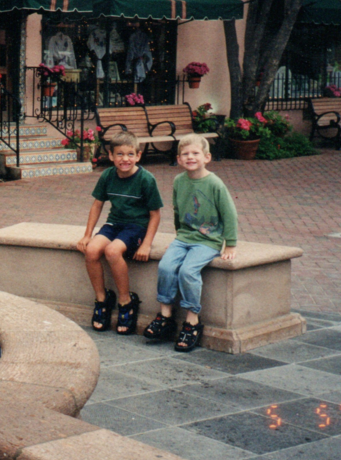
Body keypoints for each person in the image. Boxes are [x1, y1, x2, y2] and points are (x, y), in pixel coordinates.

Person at [143, 134, 238, 352]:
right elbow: (178, 210)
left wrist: (230, 244)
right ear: (178, 159)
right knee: (166, 266)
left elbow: (229, 214)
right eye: (185, 154)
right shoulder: (179, 181)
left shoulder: (214, 183)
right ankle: (165, 317)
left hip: (208, 240)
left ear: (207, 157)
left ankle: (192, 321)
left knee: (188, 271)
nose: (190, 157)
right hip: (184, 238)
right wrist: (179, 237)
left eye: (195, 153)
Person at [77, 131, 162, 334]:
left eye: (130, 154)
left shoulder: (146, 179)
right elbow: (97, 205)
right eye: (120, 154)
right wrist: (87, 235)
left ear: (138, 156)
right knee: (92, 250)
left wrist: (146, 244)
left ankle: (125, 301)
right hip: (114, 224)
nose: (125, 159)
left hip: (136, 226)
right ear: (111, 156)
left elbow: (155, 215)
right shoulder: (108, 175)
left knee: (113, 251)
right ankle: (102, 299)